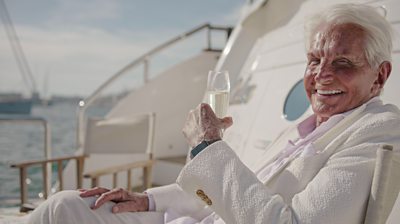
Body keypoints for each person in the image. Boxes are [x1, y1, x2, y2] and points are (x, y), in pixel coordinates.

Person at [28, 3, 400, 224]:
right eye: (314, 60)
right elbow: (240, 193)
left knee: (64, 211)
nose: (321, 75)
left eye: (342, 63)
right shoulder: (308, 129)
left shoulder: (377, 130)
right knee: (69, 203)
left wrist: (208, 148)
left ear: (379, 76)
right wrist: (149, 200)